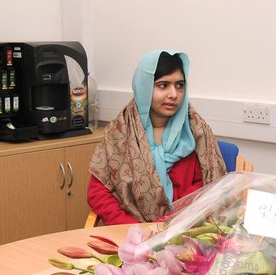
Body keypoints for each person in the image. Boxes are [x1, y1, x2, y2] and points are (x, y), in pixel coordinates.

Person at [88, 50, 226, 225]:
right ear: (144, 87)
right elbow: (98, 193)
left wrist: (166, 226)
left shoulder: (196, 132)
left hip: (185, 230)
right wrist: (131, 229)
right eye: (163, 85)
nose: (173, 94)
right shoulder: (119, 134)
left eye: (179, 85)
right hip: (130, 235)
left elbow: (205, 188)